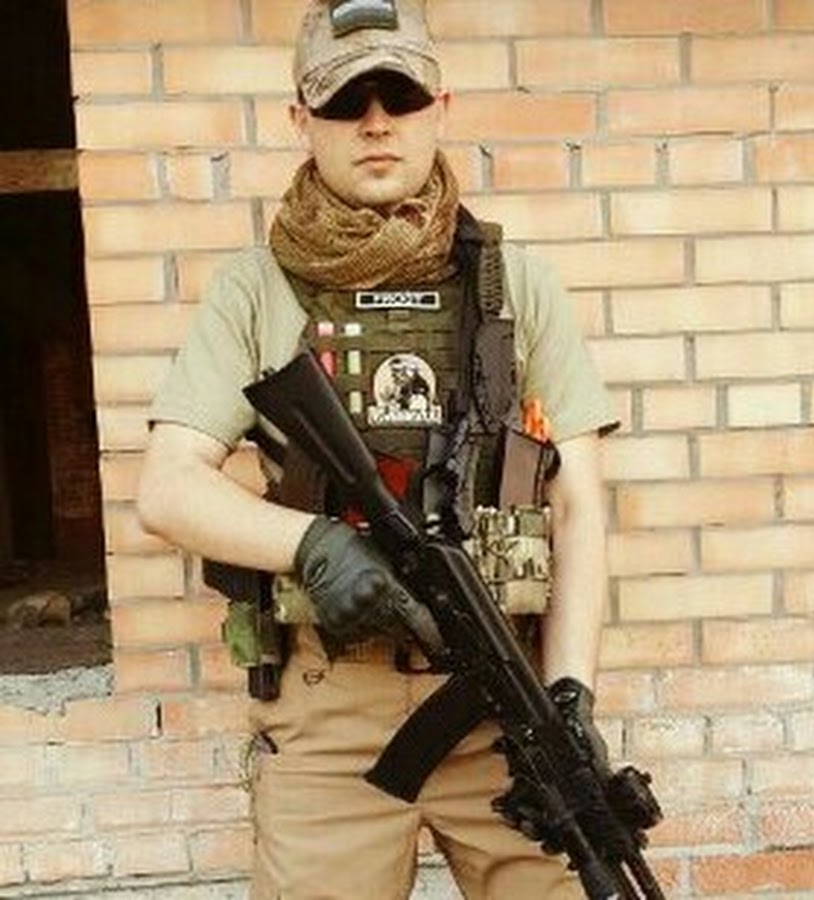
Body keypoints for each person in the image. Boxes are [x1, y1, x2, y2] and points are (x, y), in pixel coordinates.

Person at [137, 1, 617, 897]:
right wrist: (313, 545)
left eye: (400, 96)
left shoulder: (517, 285)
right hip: (331, 714)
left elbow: (578, 500)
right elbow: (167, 489)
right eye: (345, 101)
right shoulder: (254, 291)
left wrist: (568, 693)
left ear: (441, 108)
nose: (376, 123)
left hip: (502, 705)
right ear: (300, 119)